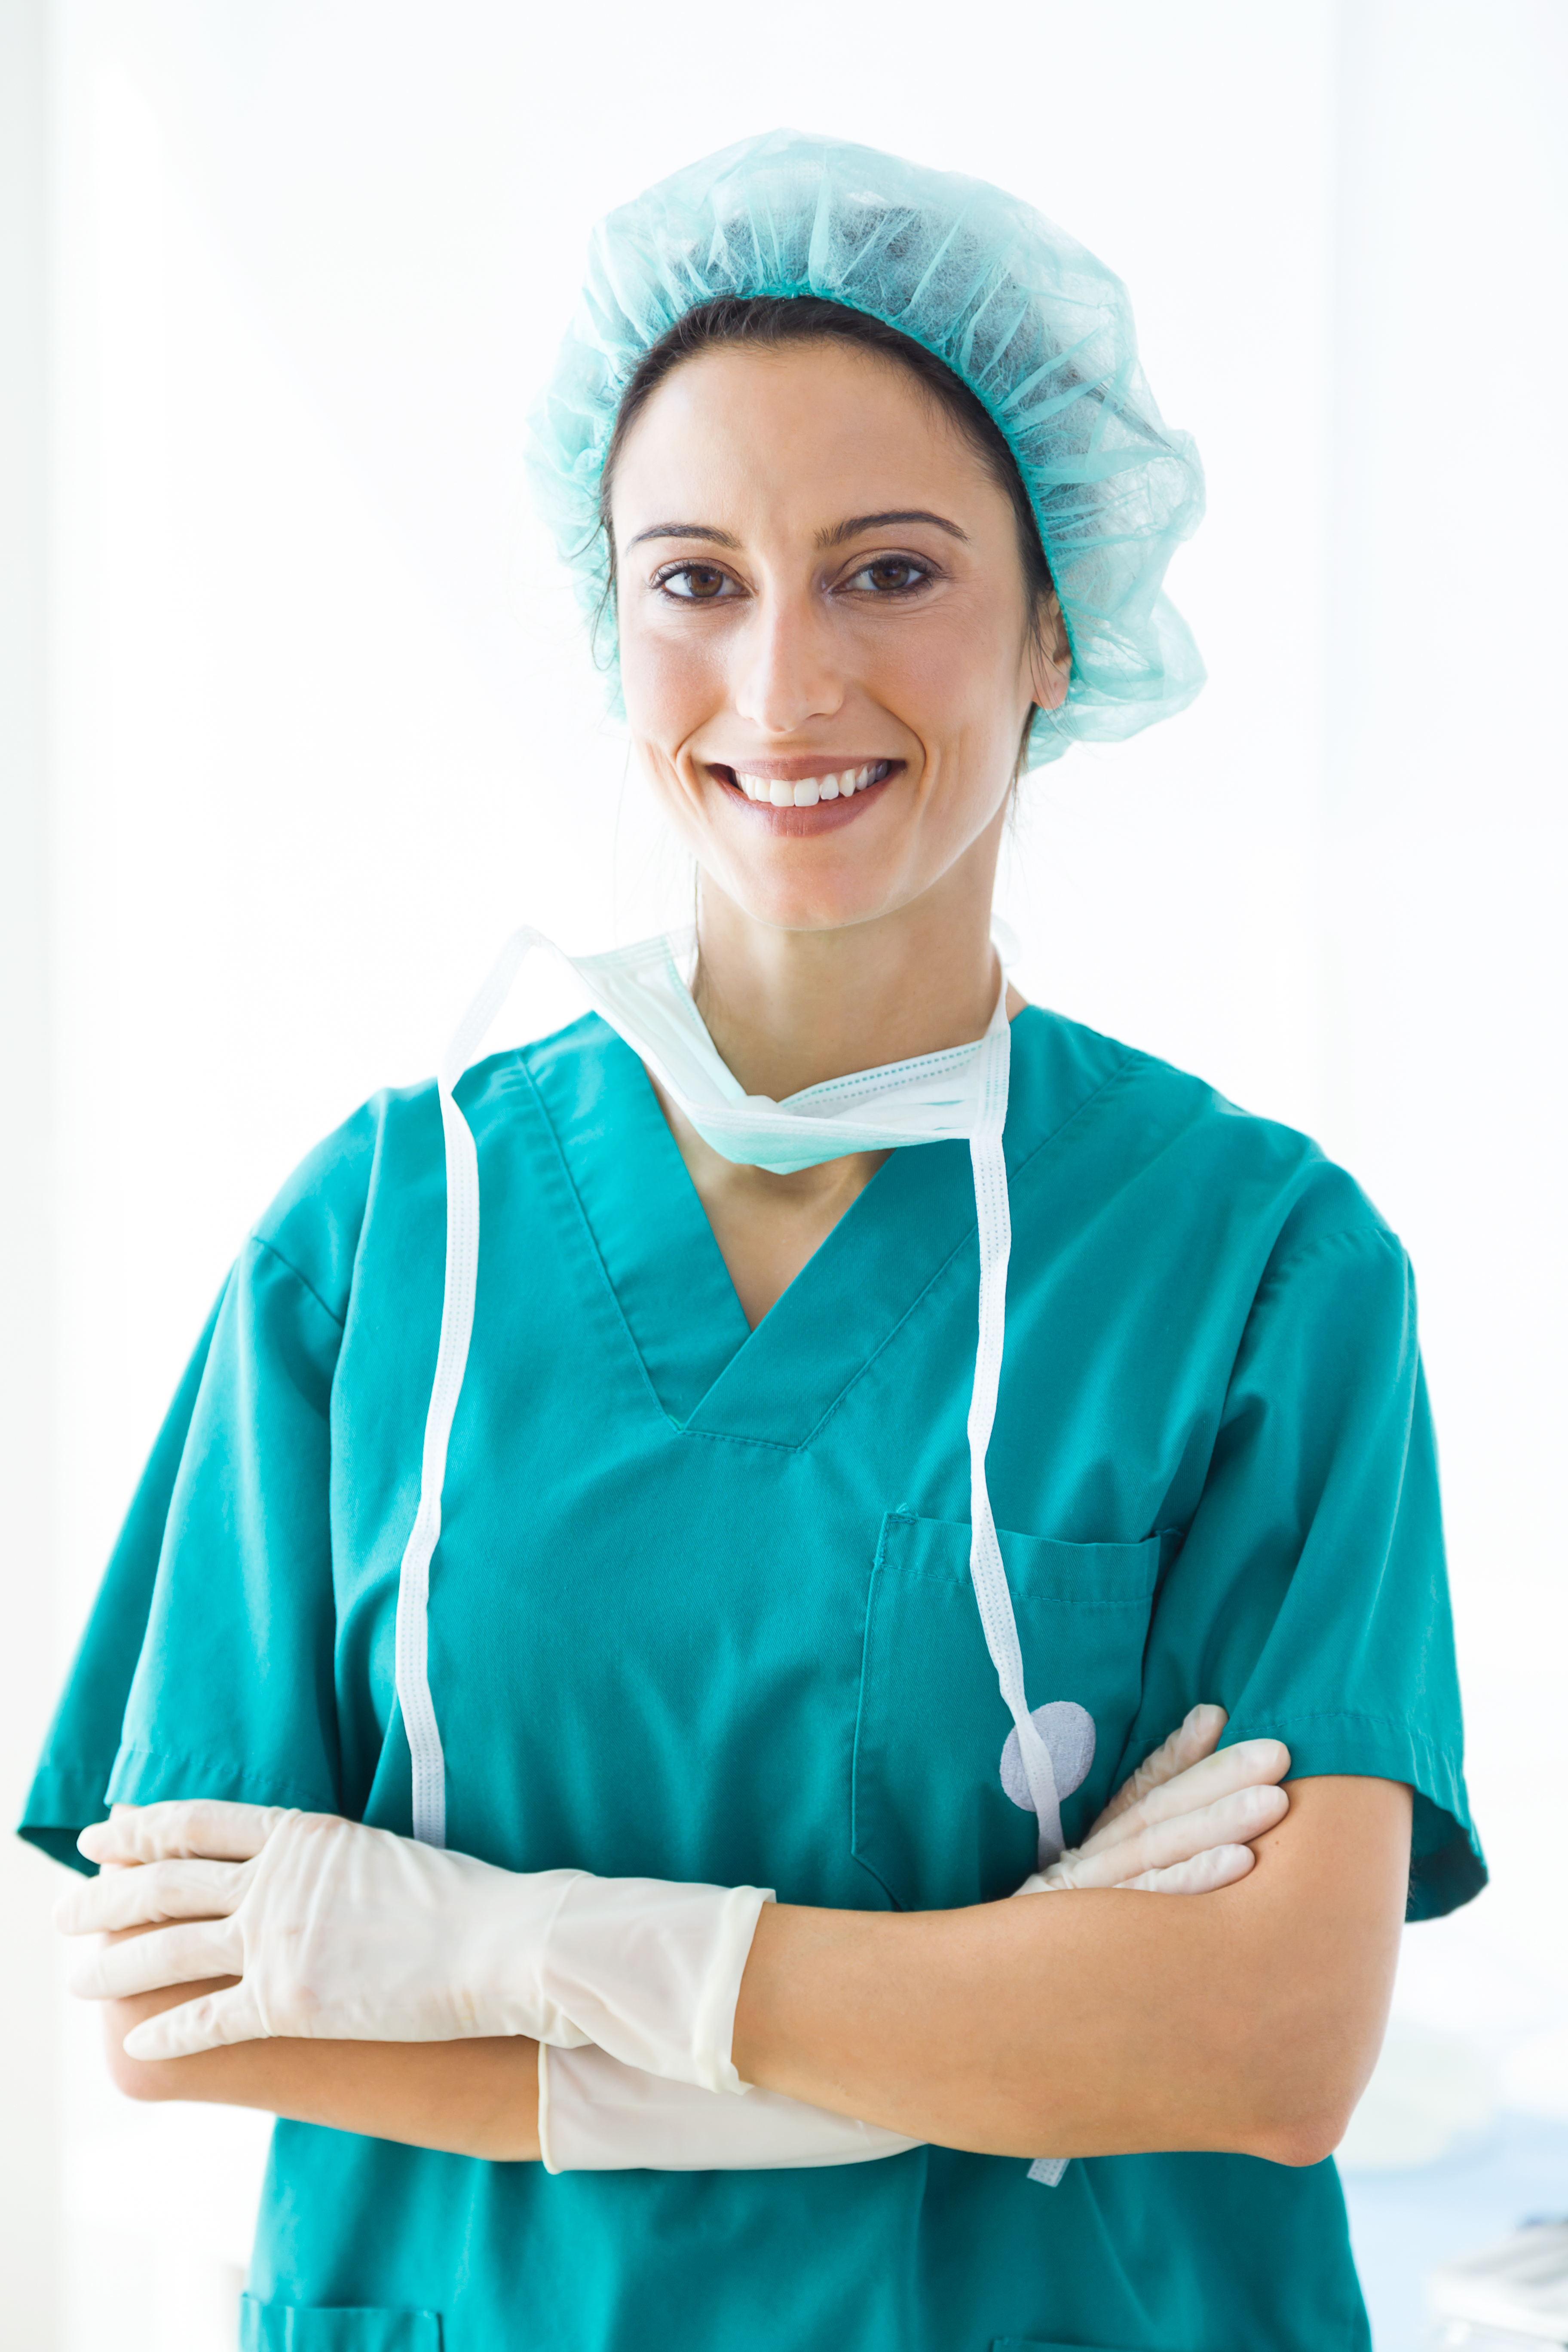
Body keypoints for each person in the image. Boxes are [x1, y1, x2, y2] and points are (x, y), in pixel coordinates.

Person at [24, 130, 1482, 2352]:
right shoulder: (391, 1231)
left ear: (1056, 623)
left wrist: (493, 1949)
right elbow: (184, 2006)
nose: (784, 683)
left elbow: (1267, 2053)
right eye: (695, 580)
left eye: (889, 572)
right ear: (610, 620)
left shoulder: (1261, 1270)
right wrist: (1014, 2006)